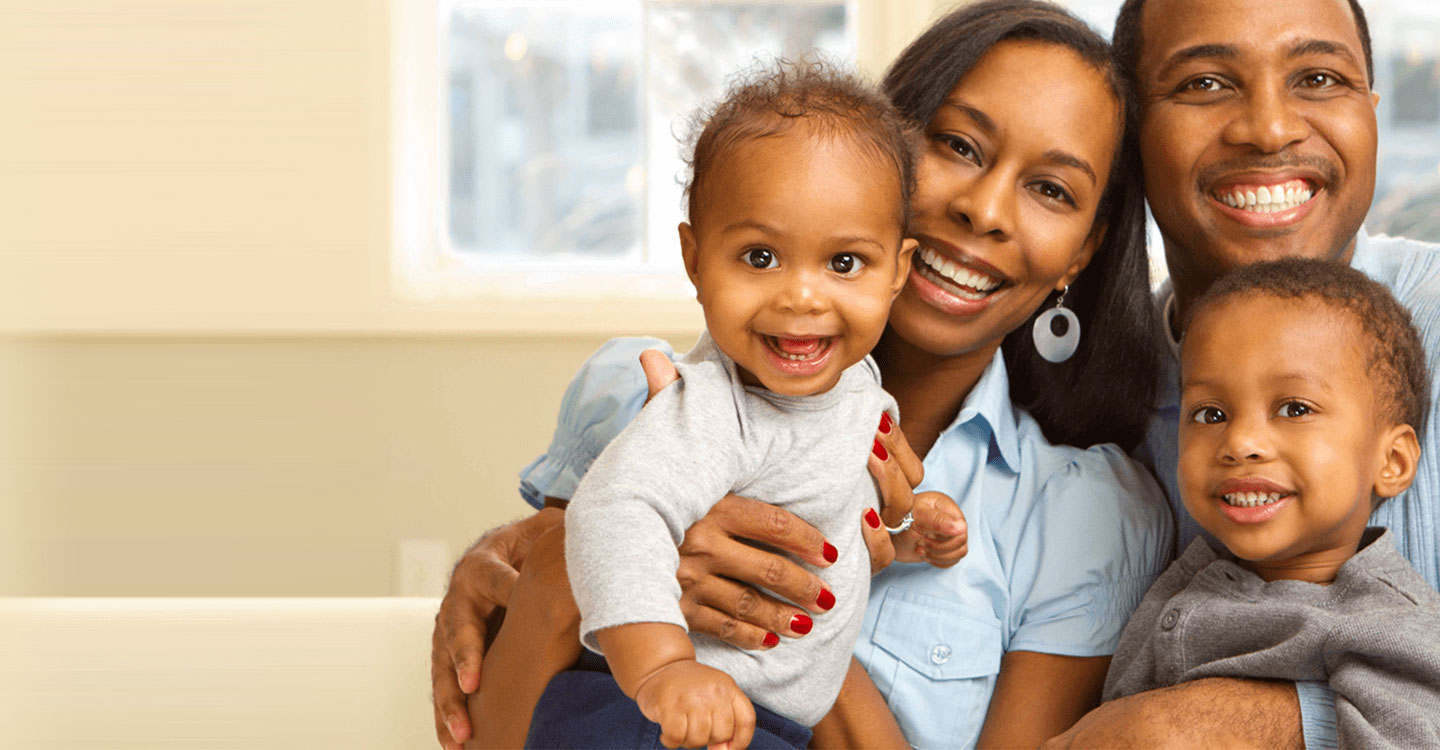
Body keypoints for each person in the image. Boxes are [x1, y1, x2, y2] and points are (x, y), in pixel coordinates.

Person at [434, 2, 1175, 748]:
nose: (984, 210)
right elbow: (495, 731)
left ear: (1082, 252)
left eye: (1052, 189)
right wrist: (586, 567)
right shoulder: (638, 394)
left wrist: (799, 601)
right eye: (957, 145)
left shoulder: (1085, 516)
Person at [480, 64, 966, 750]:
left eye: (845, 263)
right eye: (761, 257)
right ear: (695, 258)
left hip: (759, 721)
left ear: (898, 269)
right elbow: (615, 510)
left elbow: (834, 529)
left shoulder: (858, 389)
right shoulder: (711, 404)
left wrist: (913, 531)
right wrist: (664, 669)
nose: (802, 297)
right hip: (643, 715)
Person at [1045, 0, 1440, 746]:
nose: (1268, 127)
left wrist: (1262, 723)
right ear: (1130, 136)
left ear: (1372, 111)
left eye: (1318, 77)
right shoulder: (1082, 408)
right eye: (1203, 84)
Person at [1102, 258, 1440, 747]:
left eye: (1294, 408)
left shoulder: (1390, 625)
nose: (1240, 442)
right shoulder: (1183, 581)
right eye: (1210, 413)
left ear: (1392, 461)